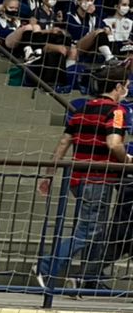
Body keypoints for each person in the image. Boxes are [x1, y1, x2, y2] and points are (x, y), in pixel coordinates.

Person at [38, 61, 129, 291]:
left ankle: (90, 277)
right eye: (126, 85)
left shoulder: (82, 109)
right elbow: (113, 142)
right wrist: (127, 160)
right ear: (118, 86)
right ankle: (47, 266)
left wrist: (49, 175)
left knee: (96, 229)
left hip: (77, 178)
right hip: (98, 177)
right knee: (89, 229)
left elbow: (63, 143)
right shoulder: (116, 111)